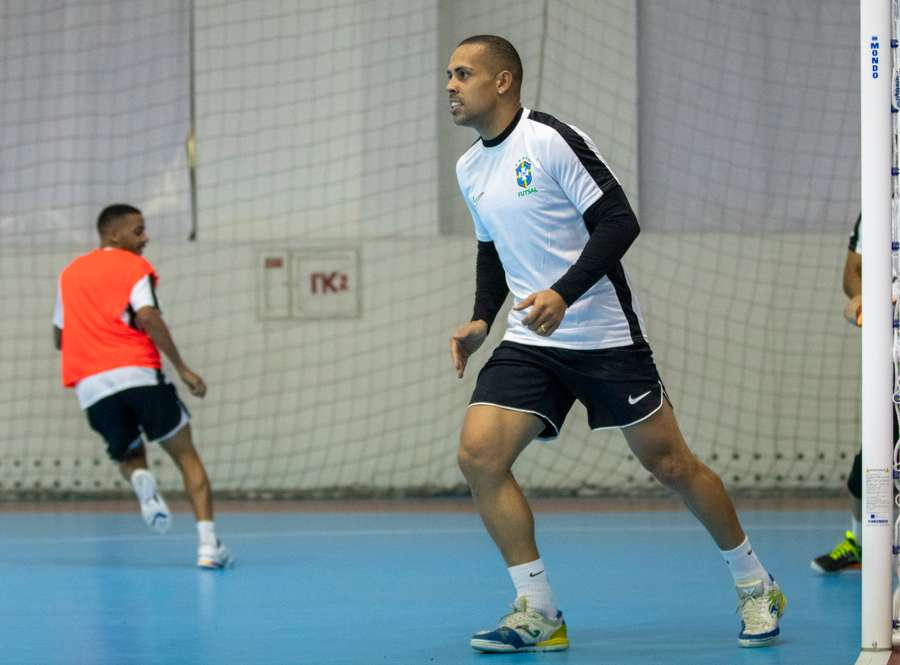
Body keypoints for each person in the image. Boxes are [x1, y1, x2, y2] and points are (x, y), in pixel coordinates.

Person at [446, 35, 785, 652]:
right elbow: (492, 251)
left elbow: (620, 220)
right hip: (530, 340)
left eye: (463, 74)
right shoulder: (470, 167)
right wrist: (479, 320)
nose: (450, 85)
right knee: (479, 456)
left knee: (670, 465)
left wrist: (565, 293)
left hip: (602, 335)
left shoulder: (549, 139)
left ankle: (754, 582)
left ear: (503, 81)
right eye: (449, 74)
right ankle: (539, 611)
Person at [53, 204, 233, 569]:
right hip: (137, 373)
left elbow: (60, 336)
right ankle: (208, 547)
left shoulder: (69, 274)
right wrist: (182, 368)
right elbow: (147, 316)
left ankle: (139, 477)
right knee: (186, 456)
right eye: (138, 231)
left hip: (92, 384)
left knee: (128, 455)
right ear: (113, 234)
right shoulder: (135, 267)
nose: (145, 237)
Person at [811, 214, 865, 574]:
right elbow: (853, 276)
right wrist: (862, 300)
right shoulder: (881, 203)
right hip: (892, 352)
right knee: (869, 465)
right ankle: (860, 544)